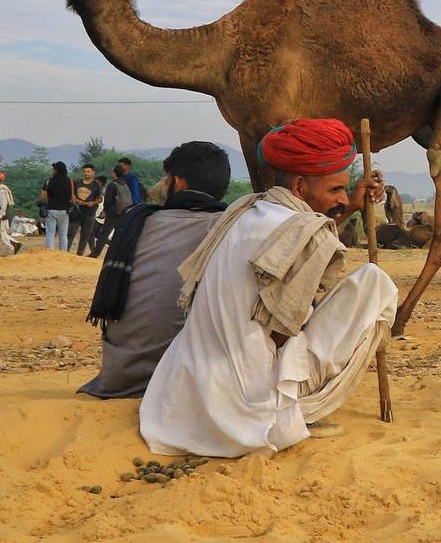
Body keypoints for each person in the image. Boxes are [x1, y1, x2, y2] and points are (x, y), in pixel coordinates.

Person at [140, 118, 397, 457]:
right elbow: (281, 332)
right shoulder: (306, 232)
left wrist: (348, 203)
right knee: (374, 284)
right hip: (248, 407)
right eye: (335, 190)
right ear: (301, 186)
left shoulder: (247, 212)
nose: (340, 198)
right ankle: (302, 410)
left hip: (185, 400)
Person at [79, 142, 232, 399]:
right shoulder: (231, 227)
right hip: (187, 386)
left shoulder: (137, 222)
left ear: (178, 182)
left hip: (120, 376)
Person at [41, 161, 74, 251]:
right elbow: (73, 197)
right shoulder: (70, 181)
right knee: (63, 234)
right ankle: (63, 253)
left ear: (57, 170)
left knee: (50, 233)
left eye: (54, 169)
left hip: (51, 210)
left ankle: (51, 252)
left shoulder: (49, 181)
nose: (53, 171)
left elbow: (43, 196)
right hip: (65, 211)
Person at [72, 164, 103, 254]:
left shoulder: (96, 184)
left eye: (88, 171)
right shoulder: (78, 182)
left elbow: (100, 199)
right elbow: (73, 195)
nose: (86, 173)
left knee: (85, 234)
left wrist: (93, 203)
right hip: (77, 211)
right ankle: (65, 252)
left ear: (93, 172)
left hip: (90, 212)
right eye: (85, 171)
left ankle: (79, 254)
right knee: (71, 232)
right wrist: (76, 200)